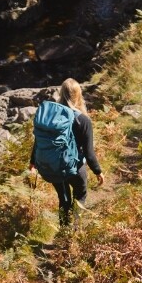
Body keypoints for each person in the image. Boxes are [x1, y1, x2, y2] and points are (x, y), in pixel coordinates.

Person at [29, 78, 104, 226]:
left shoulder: (51, 117)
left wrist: (33, 162)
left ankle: (64, 230)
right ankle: (74, 234)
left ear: (61, 93)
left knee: (63, 200)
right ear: (78, 95)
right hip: (75, 168)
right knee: (80, 198)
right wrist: (98, 171)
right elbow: (89, 152)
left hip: (54, 166)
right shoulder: (83, 120)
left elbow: (38, 140)